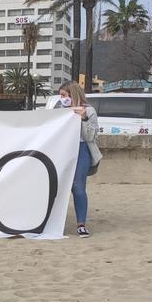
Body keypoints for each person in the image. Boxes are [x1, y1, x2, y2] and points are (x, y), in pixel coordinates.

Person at [58, 82, 99, 238]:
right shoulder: (59, 111)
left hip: (81, 150)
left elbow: (91, 136)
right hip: (62, 151)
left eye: (64, 95)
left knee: (78, 186)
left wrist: (83, 118)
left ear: (72, 95)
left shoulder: (89, 111)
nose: (62, 99)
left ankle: (81, 224)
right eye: (61, 95)